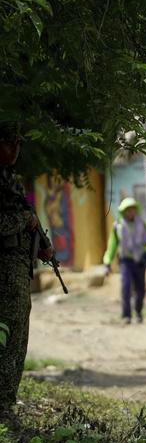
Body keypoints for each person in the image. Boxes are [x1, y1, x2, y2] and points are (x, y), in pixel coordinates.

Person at [0, 123, 53, 421]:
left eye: (18, 144)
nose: (15, 151)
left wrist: (41, 246)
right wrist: (23, 220)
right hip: (5, 271)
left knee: (18, 336)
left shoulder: (11, 181)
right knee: (8, 335)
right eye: (10, 144)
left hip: (18, 268)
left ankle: (7, 401)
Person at [103, 197, 146, 324]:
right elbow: (112, 246)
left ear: (135, 210)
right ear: (123, 212)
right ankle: (126, 315)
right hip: (126, 261)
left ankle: (138, 311)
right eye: (127, 210)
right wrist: (107, 262)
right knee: (125, 287)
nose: (130, 212)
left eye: (132, 210)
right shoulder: (118, 226)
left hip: (140, 261)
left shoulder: (143, 224)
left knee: (140, 289)